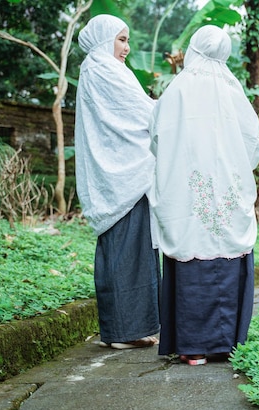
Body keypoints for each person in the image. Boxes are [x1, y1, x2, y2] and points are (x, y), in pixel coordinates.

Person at [148, 25, 259, 365]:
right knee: (226, 249)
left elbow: (157, 137)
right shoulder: (233, 89)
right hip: (227, 191)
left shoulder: (178, 88)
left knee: (193, 249)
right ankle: (226, 343)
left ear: (195, 49)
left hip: (188, 194)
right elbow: (251, 143)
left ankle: (192, 346)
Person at [75, 14, 160, 349]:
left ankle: (134, 328)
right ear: (104, 38)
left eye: (127, 41)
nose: (126, 48)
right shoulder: (102, 69)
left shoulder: (98, 70)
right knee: (125, 252)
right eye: (121, 39)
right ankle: (123, 331)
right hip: (122, 175)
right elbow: (142, 114)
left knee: (133, 251)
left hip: (124, 174)